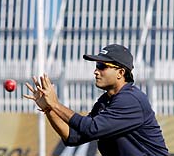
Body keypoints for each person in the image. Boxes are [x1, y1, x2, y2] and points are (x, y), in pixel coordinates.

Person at [24, 44, 169, 156]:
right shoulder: (105, 101)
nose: (96, 71)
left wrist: (55, 104)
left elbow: (91, 129)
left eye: (102, 66)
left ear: (120, 73)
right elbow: (73, 137)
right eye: (96, 65)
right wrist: (49, 109)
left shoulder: (131, 100)